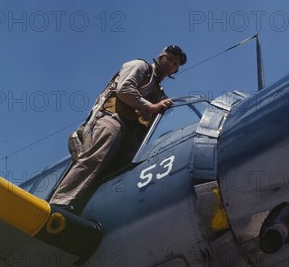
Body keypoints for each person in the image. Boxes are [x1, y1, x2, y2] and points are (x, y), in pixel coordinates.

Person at [50, 45, 187, 210]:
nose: (171, 64)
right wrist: (151, 107)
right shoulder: (139, 66)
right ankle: (59, 203)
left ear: (175, 71)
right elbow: (124, 90)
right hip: (111, 118)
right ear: (161, 56)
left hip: (132, 134)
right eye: (170, 59)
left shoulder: (160, 93)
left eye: (175, 64)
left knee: (127, 170)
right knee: (100, 152)